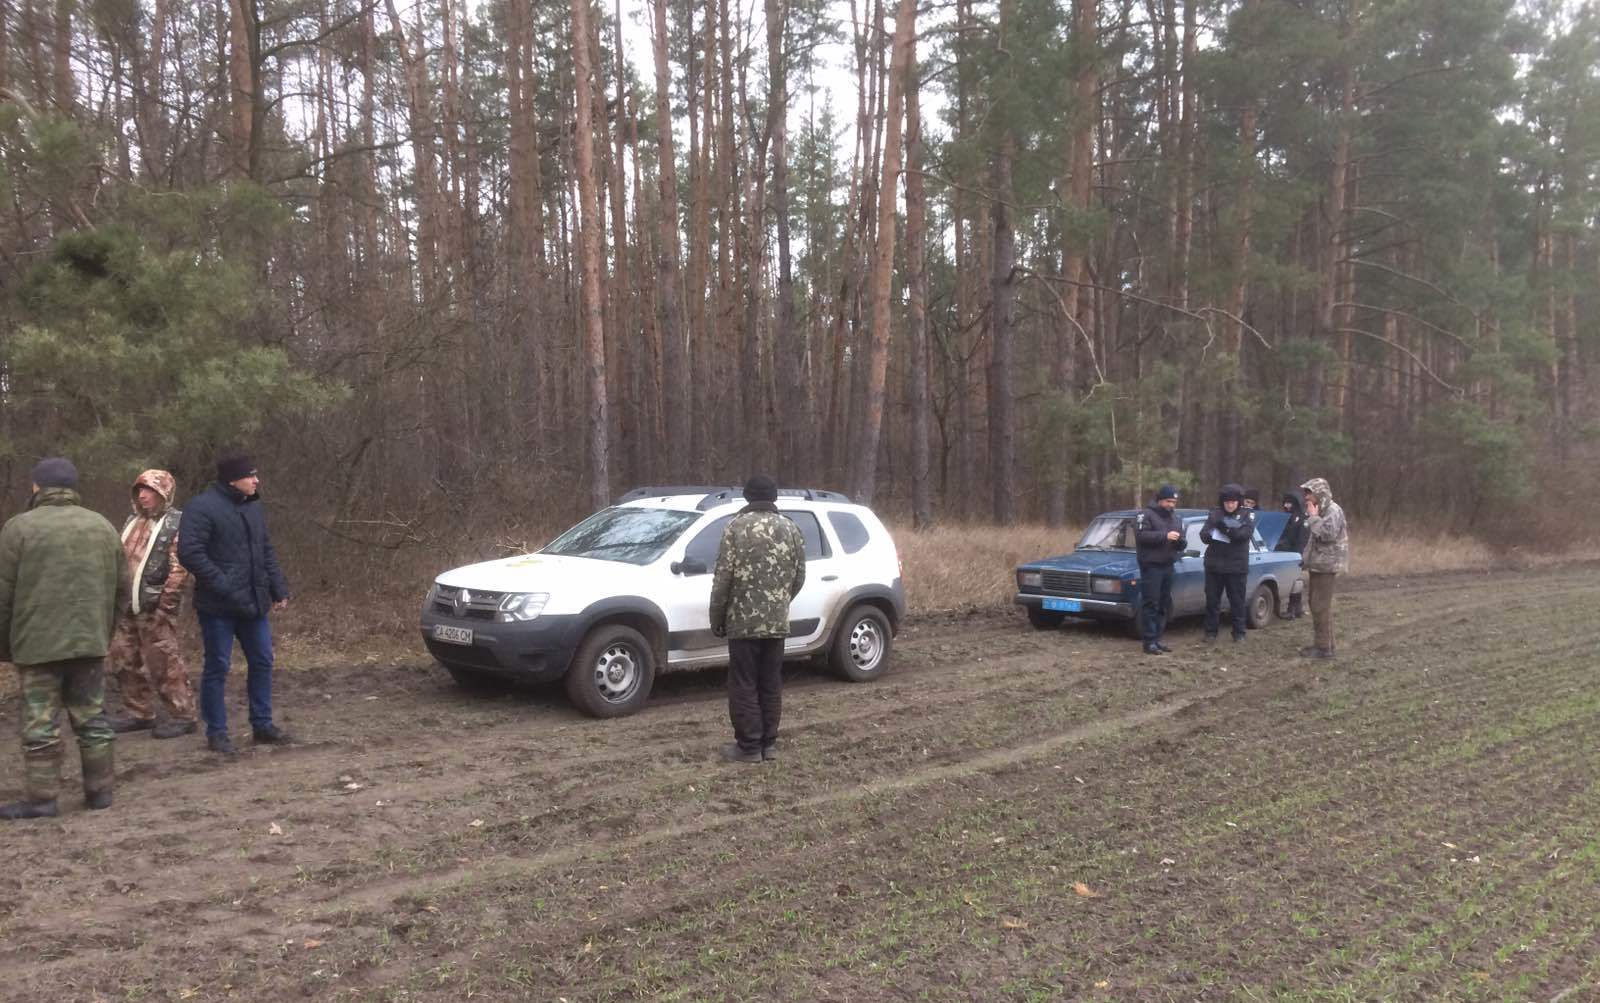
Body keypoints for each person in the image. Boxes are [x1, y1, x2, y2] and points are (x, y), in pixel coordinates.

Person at [0, 458, 129, 820]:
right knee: (92, 718)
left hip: (36, 645)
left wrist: (6, 647)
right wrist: (103, 632)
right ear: (73, 488)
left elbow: (3, 595)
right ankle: (100, 792)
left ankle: (42, 800)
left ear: (36, 487)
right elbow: (122, 590)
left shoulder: (18, 528)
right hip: (89, 642)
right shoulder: (102, 526)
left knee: (40, 723)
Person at [178, 451, 291, 754]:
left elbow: (265, 549)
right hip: (218, 606)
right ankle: (216, 732)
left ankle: (262, 724)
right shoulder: (201, 507)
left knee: (263, 660)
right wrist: (224, 585)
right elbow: (190, 553)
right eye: (250, 475)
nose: (256, 480)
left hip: (254, 603)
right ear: (232, 479)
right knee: (218, 666)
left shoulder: (252, 506)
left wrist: (278, 588)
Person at [708, 475, 807, 764]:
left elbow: (722, 579)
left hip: (742, 623)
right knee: (770, 682)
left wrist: (717, 617)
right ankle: (769, 744)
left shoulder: (735, 528)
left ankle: (749, 746)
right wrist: (779, 602)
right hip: (776, 622)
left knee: (744, 683)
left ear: (747, 497)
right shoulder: (791, 528)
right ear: (774, 496)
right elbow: (800, 575)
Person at [108, 470, 198, 739]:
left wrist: (165, 605)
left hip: (155, 607)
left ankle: (183, 715)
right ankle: (139, 712)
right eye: (140, 490)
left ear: (164, 493)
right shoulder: (132, 521)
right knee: (123, 659)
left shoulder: (177, 523)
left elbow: (180, 568)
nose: (143, 495)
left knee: (164, 663)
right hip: (125, 607)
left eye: (150, 491)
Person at [1133, 484, 1186, 656]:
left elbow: (1180, 540)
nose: (1171, 505)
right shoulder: (1145, 515)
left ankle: (1157, 639)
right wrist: (1165, 536)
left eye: (1174, 502)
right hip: (1151, 566)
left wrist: (1181, 543)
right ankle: (1149, 642)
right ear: (1160, 500)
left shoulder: (1176, 518)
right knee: (1151, 603)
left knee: (1163, 604)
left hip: (1168, 565)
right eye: (1168, 501)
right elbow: (1141, 536)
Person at [1299, 477, 1349, 658]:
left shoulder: (1332, 511)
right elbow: (1314, 539)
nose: (1306, 497)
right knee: (1318, 605)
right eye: (1305, 493)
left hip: (1327, 566)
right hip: (1319, 564)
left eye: (1309, 493)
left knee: (1319, 606)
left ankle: (1323, 648)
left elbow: (1327, 535)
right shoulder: (1321, 510)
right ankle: (1327, 645)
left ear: (1320, 493)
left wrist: (1313, 518)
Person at [1201, 483, 1255, 643]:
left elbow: (1243, 535)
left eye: (1233, 502)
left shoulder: (1246, 515)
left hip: (1236, 566)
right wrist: (1213, 532)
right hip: (1214, 565)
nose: (1230, 505)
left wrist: (1225, 529)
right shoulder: (1215, 514)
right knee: (1212, 601)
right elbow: (1204, 534)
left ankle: (1239, 633)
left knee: (1237, 601)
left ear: (1238, 502)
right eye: (1227, 502)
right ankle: (1210, 632)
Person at [1276, 492, 1309, 619]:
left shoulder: (1302, 518)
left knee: (1295, 581)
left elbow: (1302, 539)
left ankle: (1293, 609)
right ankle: (1294, 609)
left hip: (1295, 554)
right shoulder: (1283, 517)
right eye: (1285, 503)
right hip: (1282, 553)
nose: (1286, 506)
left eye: (1289, 503)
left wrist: (1298, 555)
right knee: (1284, 580)